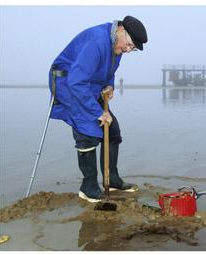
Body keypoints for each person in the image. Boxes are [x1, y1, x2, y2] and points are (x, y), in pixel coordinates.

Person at [48, 16, 148, 203]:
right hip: (68, 84)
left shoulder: (116, 46)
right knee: (88, 131)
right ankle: (88, 187)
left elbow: (109, 73)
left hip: (89, 85)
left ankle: (113, 180)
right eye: (129, 44)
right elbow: (76, 82)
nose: (128, 50)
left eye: (132, 49)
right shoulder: (96, 42)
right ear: (121, 30)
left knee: (113, 130)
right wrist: (98, 112)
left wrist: (109, 86)